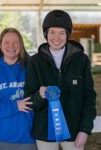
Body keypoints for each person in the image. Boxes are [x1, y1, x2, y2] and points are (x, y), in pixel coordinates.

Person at [24, 10, 96, 150]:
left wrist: (85, 129)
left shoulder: (82, 60)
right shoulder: (35, 62)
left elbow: (89, 98)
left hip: (74, 133)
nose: (56, 37)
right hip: (45, 133)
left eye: (61, 32)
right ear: (46, 33)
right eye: (52, 32)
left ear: (68, 34)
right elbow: (29, 100)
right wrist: (40, 96)